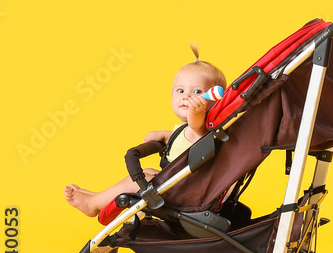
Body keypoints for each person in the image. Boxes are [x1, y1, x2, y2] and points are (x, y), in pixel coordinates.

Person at [64, 45, 226, 218]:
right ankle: (98, 197)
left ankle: (92, 205)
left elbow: (196, 129)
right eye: (180, 90)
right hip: (184, 185)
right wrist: (166, 135)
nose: (187, 96)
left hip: (188, 195)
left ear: (214, 101)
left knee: (135, 183)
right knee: (148, 172)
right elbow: (186, 141)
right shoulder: (190, 129)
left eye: (197, 91)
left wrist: (197, 112)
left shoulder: (201, 126)